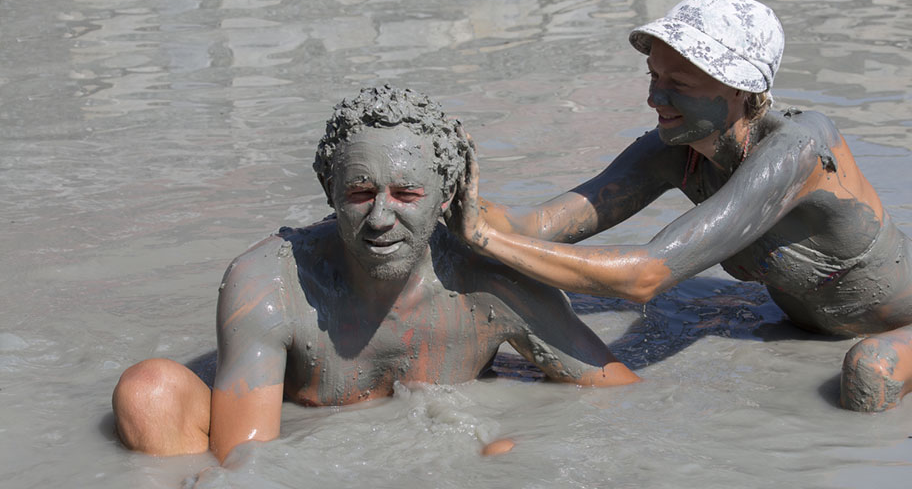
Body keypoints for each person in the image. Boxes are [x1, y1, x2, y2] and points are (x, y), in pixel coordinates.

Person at [449, 0, 912, 412]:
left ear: (741, 89)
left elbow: (645, 276)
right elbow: (539, 224)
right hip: (809, 324)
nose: (654, 97)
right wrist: (444, 194)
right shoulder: (674, 148)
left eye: (679, 83)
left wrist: (485, 239)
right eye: (653, 76)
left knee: (869, 370)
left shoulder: (799, 149)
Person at [111, 85, 639, 463]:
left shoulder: (492, 279)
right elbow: (248, 463)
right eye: (360, 193)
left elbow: (616, 391)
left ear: (447, 196)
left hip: (444, 456)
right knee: (150, 390)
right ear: (330, 194)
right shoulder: (269, 284)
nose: (381, 218)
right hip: (317, 455)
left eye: (407, 194)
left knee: (511, 452)